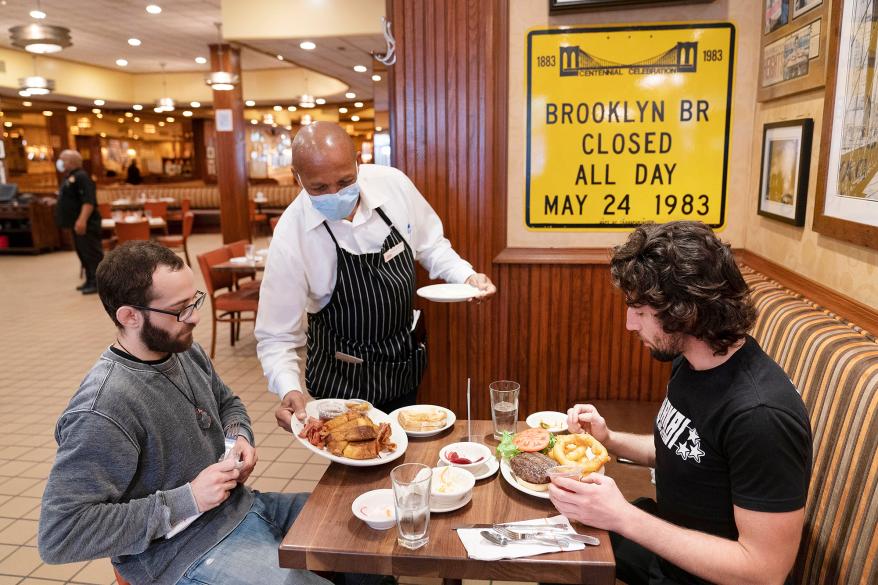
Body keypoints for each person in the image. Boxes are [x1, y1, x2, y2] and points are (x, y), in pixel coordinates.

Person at [38, 241, 330, 585]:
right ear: (130, 316)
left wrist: (238, 435)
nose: (194, 317)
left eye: (194, 301)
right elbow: (60, 535)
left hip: (241, 508)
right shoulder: (103, 409)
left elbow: (227, 402)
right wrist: (187, 499)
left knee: (350, 533)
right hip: (182, 553)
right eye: (179, 309)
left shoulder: (181, 349)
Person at [550, 221, 812, 585]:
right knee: (551, 553)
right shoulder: (692, 360)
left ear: (684, 312)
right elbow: (688, 453)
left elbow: (764, 571)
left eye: (640, 311)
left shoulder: (760, 416)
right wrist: (609, 440)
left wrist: (623, 516)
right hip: (668, 549)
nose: (629, 324)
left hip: (702, 576)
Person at [256, 122, 496, 431]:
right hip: (340, 382)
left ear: (358, 161)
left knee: (402, 454)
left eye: (345, 181)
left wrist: (466, 276)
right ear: (296, 177)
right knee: (354, 464)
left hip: (400, 365)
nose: (336, 194)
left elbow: (431, 245)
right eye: (319, 188)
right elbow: (275, 335)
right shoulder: (292, 235)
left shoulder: (393, 185)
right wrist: (289, 387)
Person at [54, 149, 103, 294]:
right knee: (83, 253)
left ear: (71, 161)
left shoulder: (82, 177)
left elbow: (88, 202)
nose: (60, 162)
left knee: (92, 254)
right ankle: (89, 279)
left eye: (62, 159)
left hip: (86, 224)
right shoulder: (69, 177)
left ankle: (98, 283)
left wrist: (82, 220)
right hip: (75, 224)